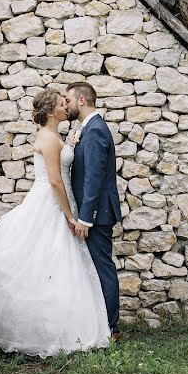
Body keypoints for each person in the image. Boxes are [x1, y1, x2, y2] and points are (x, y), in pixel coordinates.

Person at [0, 88, 110, 357]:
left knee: (55, 262)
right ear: (52, 111)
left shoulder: (54, 136)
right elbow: (55, 180)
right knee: (47, 258)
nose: (66, 106)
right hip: (51, 201)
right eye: (61, 104)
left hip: (56, 198)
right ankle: (45, 330)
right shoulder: (50, 139)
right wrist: (68, 215)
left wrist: (74, 143)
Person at [65, 81, 123, 342]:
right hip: (91, 212)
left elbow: (94, 178)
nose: (66, 105)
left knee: (103, 268)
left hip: (97, 214)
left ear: (82, 101)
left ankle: (112, 328)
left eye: (68, 100)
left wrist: (87, 217)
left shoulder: (96, 130)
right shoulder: (87, 129)